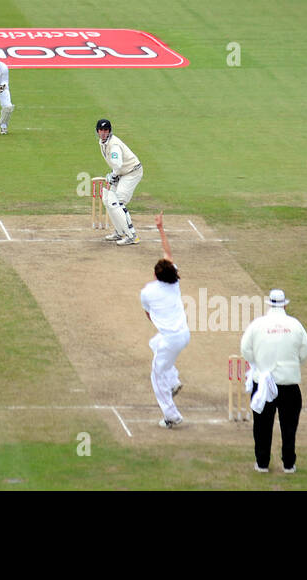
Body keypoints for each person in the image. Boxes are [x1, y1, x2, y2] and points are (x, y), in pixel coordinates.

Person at [240, 289, 307, 474]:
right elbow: (305, 353)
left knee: (262, 426)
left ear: (269, 304)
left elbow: (245, 349)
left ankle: (262, 463)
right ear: (285, 304)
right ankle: (289, 464)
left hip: (263, 383)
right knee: (289, 427)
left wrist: (259, 363)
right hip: (289, 384)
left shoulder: (258, 324)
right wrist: (291, 366)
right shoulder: (295, 325)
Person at [141, 213, 190, 429]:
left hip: (171, 339)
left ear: (155, 274)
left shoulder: (148, 292)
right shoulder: (174, 282)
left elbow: (149, 316)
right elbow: (168, 253)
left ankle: (172, 416)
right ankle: (174, 380)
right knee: (154, 344)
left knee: (156, 376)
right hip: (182, 334)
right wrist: (161, 228)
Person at [94, 118, 143, 246]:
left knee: (118, 202)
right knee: (108, 201)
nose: (103, 132)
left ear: (109, 131)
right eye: (101, 130)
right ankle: (120, 232)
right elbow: (116, 165)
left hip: (131, 172)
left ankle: (132, 236)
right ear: (97, 131)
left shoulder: (114, 145)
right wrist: (114, 174)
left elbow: (118, 163)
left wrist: (113, 174)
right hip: (121, 173)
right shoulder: (102, 142)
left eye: (106, 130)